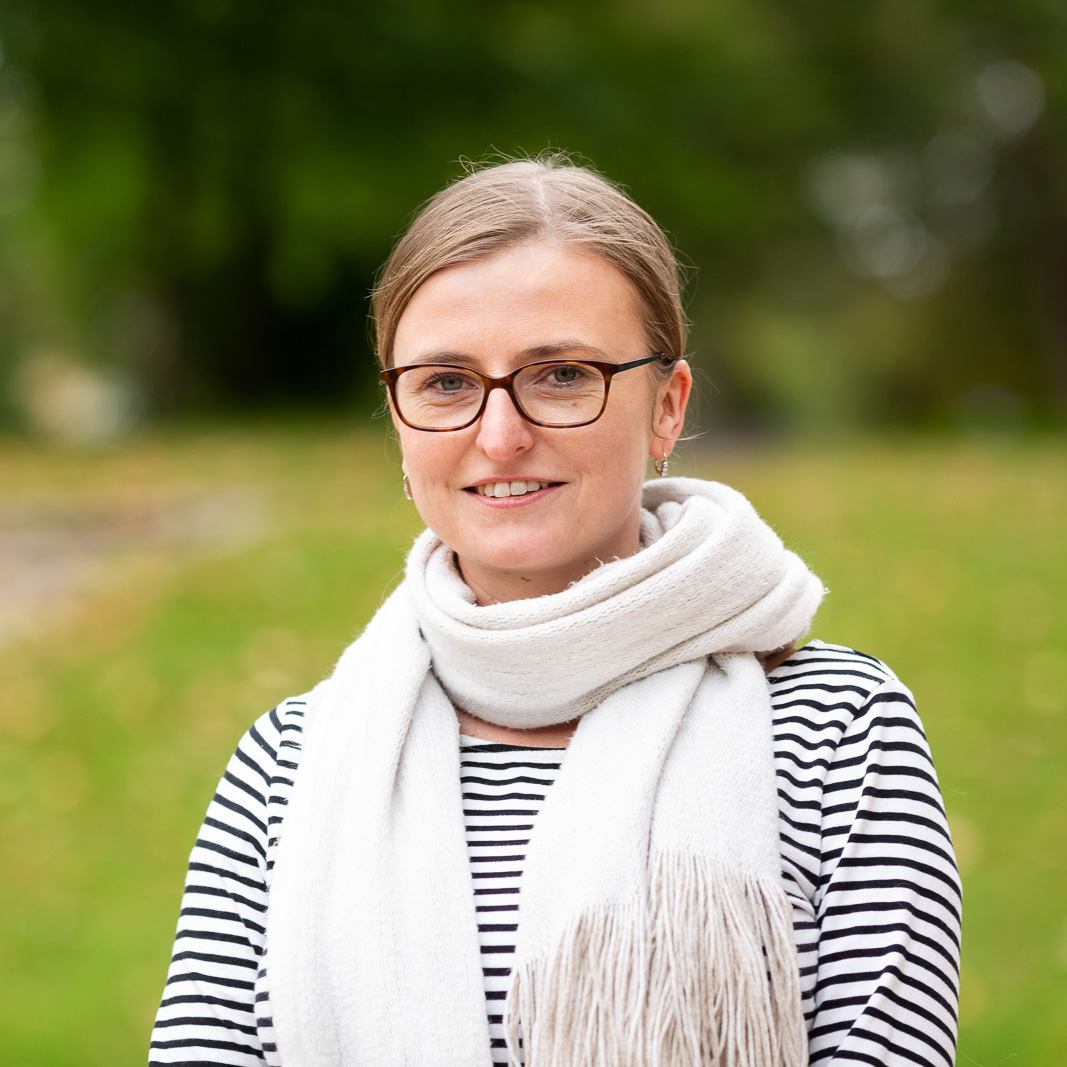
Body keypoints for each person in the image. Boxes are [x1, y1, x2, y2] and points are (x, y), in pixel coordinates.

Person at [150, 155, 961, 1067]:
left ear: (666, 408)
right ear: (398, 418)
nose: (500, 435)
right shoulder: (287, 766)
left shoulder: (836, 731)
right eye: (445, 382)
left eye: (563, 374)